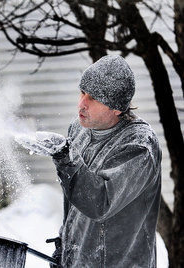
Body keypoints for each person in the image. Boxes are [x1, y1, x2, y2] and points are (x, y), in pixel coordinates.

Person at [16, 55, 161, 267]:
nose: (81, 104)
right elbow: (75, 200)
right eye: (82, 92)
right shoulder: (79, 129)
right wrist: (65, 245)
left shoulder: (138, 146)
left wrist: (65, 157)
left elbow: (100, 203)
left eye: (92, 98)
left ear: (117, 107)